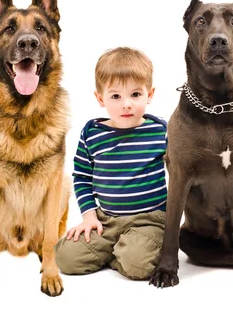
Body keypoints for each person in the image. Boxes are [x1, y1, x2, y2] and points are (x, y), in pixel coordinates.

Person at [54, 47, 167, 280]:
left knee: (137, 265)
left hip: (150, 220)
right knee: (65, 257)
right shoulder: (92, 133)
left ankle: (127, 253)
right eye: (115, 96)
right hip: (105, 219)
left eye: (135, 95)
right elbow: (82, 178)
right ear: (100, 98)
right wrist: (89, 216)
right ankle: (117, 250)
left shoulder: (162, 131)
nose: (126, 104)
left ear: (150, 94)